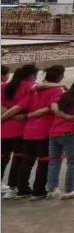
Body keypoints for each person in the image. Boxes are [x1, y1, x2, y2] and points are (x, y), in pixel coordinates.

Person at [13, 65, 65, 199]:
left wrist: (5, 116)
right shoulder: (57, 91)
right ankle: (39, 190)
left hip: (28, 131)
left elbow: (19, 106)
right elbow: (52, 107)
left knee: (26, 161)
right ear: (60, 76)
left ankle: (22, 190)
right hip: (44, 131)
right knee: (44, 161)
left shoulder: (34, 90)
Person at [2, 63, 34, 196]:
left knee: (3, 157)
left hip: (4, 127)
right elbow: (23, 106)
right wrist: (17, 116)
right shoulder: (29, 87)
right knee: (19, 158)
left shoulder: (5, 87)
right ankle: (13, 187)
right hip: (20, 128)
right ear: (31, 75)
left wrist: (8, 116)